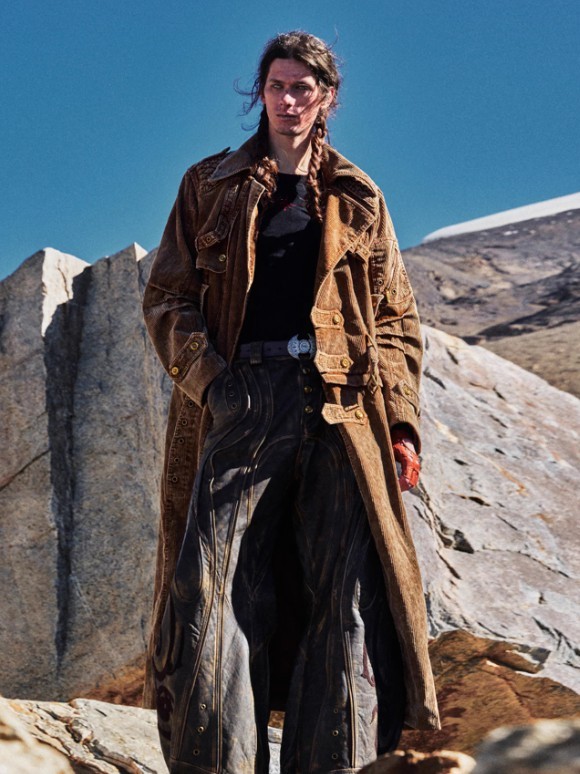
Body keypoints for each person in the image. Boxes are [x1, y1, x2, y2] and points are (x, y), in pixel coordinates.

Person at [142, 30, 439, 774]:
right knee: (211, 587)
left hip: (343, 409)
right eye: (275, 86)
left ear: (327, 97)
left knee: (346, 598)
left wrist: (401, 424)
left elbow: (397, 320)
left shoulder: (360, 196)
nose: (287, 100)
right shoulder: (208, 183)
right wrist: (217, 385)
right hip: (245, 398)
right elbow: (167, 297)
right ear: (261, 93)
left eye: (302, 88)